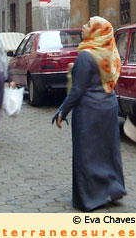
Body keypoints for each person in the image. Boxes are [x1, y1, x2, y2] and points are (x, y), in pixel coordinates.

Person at [52, 16, 127, 212]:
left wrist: (62, 111)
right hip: (108, 108)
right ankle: (112, 190)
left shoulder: (87, 55)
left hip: (89, 112)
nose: (83, 27)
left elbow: (77, 90)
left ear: (95, 32)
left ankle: (91, 197)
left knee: (88, 153)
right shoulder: (109, 51)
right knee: (107, 151)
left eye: (88, 25)